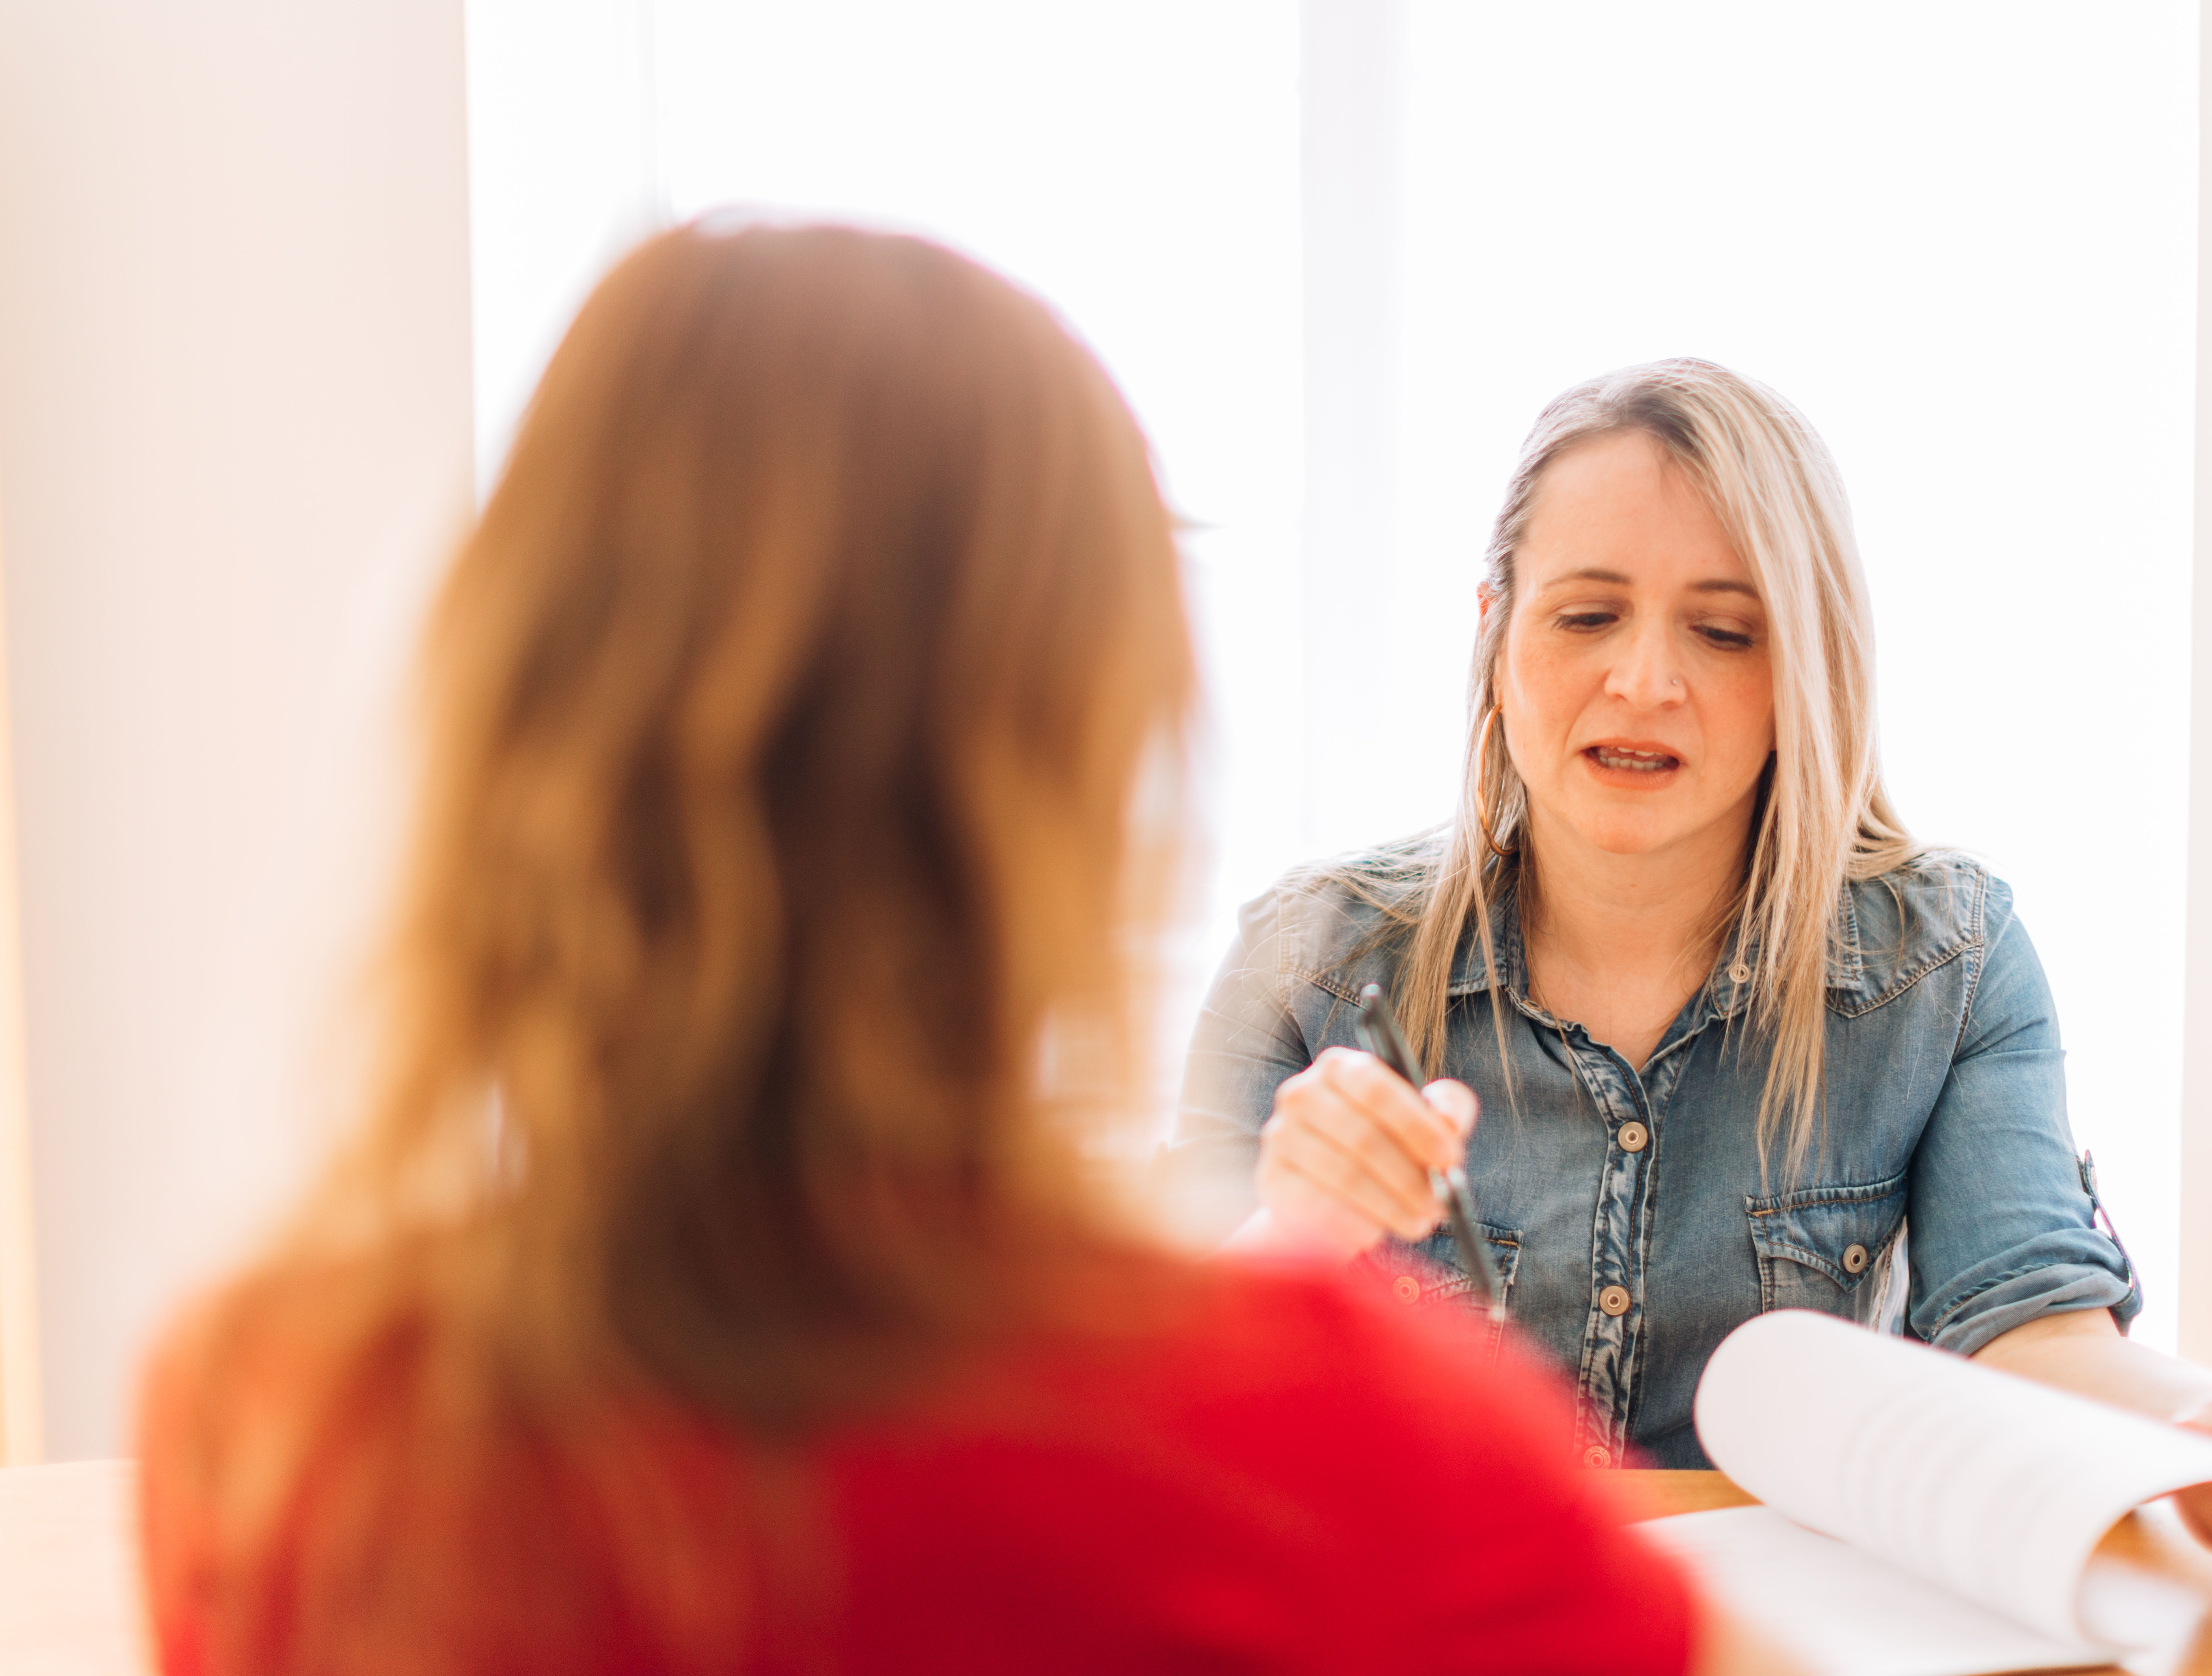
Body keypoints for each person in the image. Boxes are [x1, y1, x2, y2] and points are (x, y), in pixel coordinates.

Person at [134, 229, 1782, 1675]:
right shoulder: (1356, 1445)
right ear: (1078, 763)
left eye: (1721, 627)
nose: (1648, 680)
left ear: (512, 714)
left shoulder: (275, 1415)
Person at [1174, 360, 2212, 1572]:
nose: (1646, 681)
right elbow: (1141, 1407)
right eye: (1587, 616)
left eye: (1724, 631)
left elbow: (2031, 1337)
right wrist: (1295, 1229)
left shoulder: (1946, 967)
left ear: (1806, 670)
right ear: (1496, 639)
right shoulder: (1310, 960)